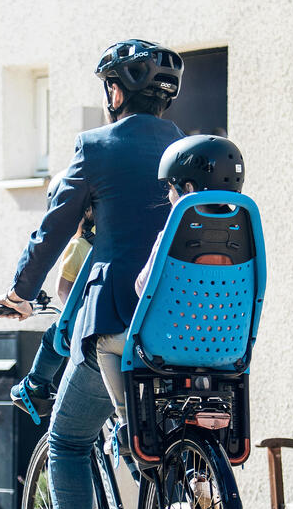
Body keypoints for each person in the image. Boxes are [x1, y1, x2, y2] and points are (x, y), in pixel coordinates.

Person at [0, 39, 184, 509]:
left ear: (115, 90)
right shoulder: (188, 149)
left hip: (117, 323)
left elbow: (53, 232)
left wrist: (20, 295)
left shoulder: (96, 147)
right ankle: (184, 502)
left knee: (66, 439)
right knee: (149, 427)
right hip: (185, 324)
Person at [96, 135, 246, 426]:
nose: (168, 196)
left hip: (169, 342)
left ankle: (128, 421)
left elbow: (143, 287)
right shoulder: (244, 238)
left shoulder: (171, 235)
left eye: (170, 187)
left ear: (188, 187)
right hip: (228, 345)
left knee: (104, 344)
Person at [9, 172, 94, 421]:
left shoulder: (78, 246)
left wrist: (71, 318)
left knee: (52, 338)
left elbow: (62, 289)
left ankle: (36, 384)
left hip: (86, 320)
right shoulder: (110, 241)